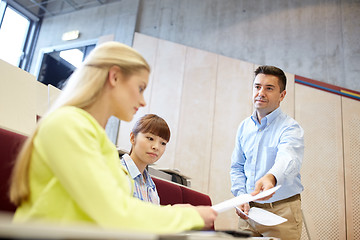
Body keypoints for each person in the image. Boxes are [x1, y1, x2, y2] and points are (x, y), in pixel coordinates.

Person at [9, 41, 217, 234]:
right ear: (115, 77)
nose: (143, 101)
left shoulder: (96, 138)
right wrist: (189, 215)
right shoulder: (67, 124)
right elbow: (115, 213)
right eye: (140, 88)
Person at [230, 65, 304, 239]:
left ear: (282, 95)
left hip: (281, 212)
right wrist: (240, 196)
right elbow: (237, 167)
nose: (260, 93)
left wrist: (271, 177)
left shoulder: (290, 128)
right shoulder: (244, 127)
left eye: (269, 88)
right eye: (257, 87)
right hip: (248, 212)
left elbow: (289, 158)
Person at [121, 114, 170, 204]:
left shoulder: (151, 186)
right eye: (150, 138)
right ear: (132, 138)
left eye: (163, 143)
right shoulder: (118, 172)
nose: (156, 147)